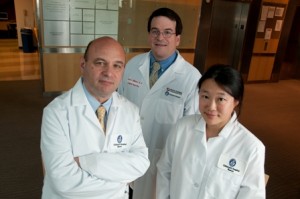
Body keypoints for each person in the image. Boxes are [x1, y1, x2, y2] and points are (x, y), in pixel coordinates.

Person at [40, 37, 150, 199]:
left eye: (117, 65)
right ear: (83, 65)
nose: (109, 73)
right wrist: (119, 181)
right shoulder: (56, 113)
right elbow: (64, 182)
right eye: (100, 63)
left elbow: (141, 163)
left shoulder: (130, 111)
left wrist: (87, 162)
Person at [118, 7, 201, 199]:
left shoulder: (191, 78)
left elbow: (191, 132)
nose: (160, 37)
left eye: (167, 32)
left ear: (177, 39)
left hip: (161, 162)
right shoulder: (132, 66)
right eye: (155, 31)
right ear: (149, 35)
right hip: (126, 154)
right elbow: (119, 107)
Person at [156, 64, 266, 199]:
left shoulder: (251, 147)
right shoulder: (182, 127)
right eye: (205, 96)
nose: (211, 107)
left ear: (236, 101)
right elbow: (164, 170)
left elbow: (252, 195)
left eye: (221, 99)